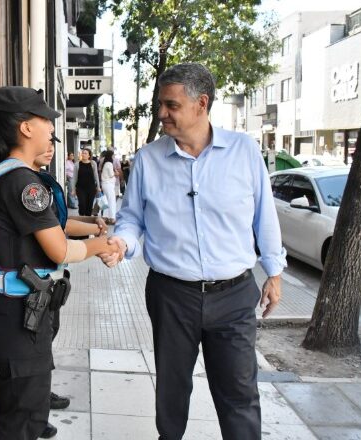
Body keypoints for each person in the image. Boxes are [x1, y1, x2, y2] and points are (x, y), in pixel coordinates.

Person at [100, 63, 286, 440]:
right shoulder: (149, 159)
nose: (161, 114)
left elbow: (265, 215)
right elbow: (133, 218)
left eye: (171, 105)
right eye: (159, 104)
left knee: (239, 393)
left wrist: (275, 273)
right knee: (171, 392)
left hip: (234, 295)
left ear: (201, 104)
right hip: (172, 295)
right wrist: (123, 242)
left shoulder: (243, 151)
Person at [0, 86, 118, 440]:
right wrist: (104, 245)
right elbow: (60, 251)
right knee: (23, 420)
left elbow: (49, 229)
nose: (51, 128)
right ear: (25, 127)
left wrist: (96, 235)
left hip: (9, 312)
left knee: (20, 408)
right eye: (45, 120)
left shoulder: (2, 174)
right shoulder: (22, 181)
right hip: (18, 317)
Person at [31, 142, 108, 437]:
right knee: (38, 347)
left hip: (48, 286)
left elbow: (58, 224)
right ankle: (36, 410)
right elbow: (59, 242)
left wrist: (90, 222)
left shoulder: (41, 179)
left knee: (47, 340)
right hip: (33, 288)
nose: (49, 148)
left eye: (52, 142)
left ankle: (41, 398)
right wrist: (103, 244)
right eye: (44, 140)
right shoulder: (26, 185)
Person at [71, 148, 100, 216]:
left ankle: (87, 221)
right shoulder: (77, 164)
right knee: (82, 204)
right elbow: (74, 177)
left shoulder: (93, 163)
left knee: (89, 206)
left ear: (89, 155)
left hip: (91, 188)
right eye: (82, 153)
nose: (83, 154)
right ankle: (81, 219)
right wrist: (73, 189)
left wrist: (98, 186)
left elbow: (96, 175)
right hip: (80, 188)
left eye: (85, 153)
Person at [99, 150, 118, 222]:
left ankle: (105, 217)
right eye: (113, 155)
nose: (114, 157)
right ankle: (112, 218)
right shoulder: (109, 163)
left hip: (105, 184)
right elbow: (111, 174)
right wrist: (116, 173)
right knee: (111, 201)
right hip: (108, 184)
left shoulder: (105, 163)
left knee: (106, 201)